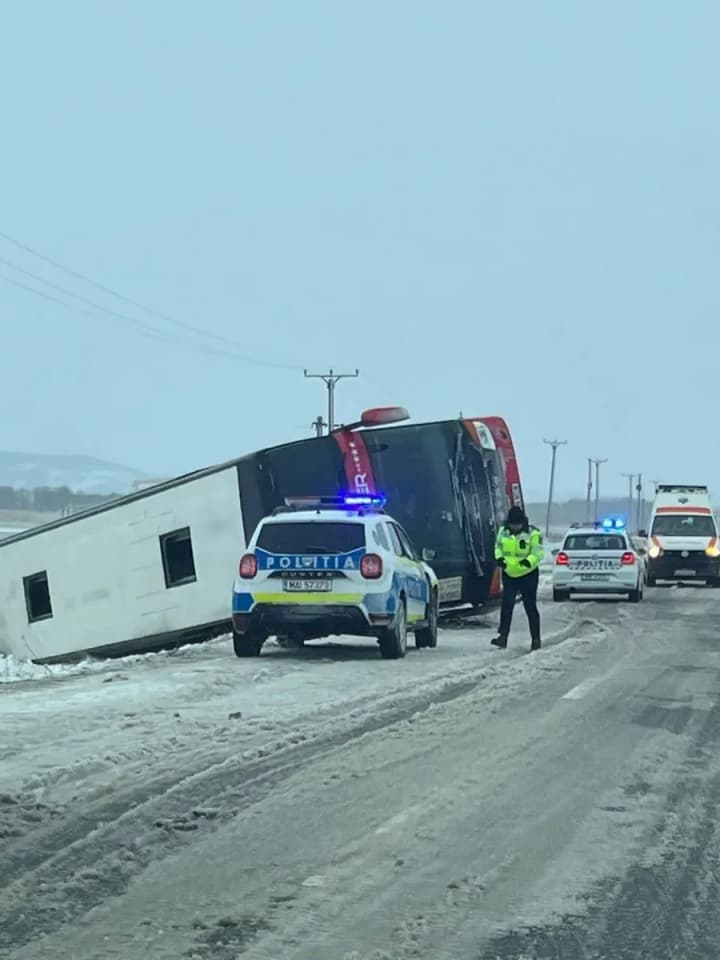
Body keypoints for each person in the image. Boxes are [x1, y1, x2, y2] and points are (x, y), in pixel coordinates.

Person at [491, 505, 543, 651]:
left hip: (528, 574)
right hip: (509, 573)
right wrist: (499, 558)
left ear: (522, 522)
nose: (514, 527)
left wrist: (528, 561)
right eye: (512, 524)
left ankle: (536, 639)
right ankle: (502, 637)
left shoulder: (533, 533)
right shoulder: (503, 531)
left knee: (530, 606)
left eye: (517, 524)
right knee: (507, 605)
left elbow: (538, 553)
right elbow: (498, 547)